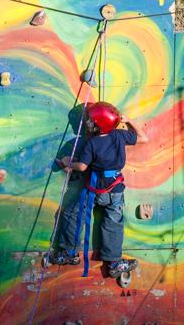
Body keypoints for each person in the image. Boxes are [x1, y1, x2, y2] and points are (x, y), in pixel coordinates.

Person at [51, 101, 148, 278]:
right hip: (116, 189)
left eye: (91, 120)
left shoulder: (92, 143)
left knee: (72, 214)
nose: (88, 122)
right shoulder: (119, 135)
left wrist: (67, 163)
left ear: (98, 125)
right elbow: (143, 138)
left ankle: (69, 253)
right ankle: (113, 263)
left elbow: (81, 167)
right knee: (113, 224)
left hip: (95, 189)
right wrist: (129, 121)